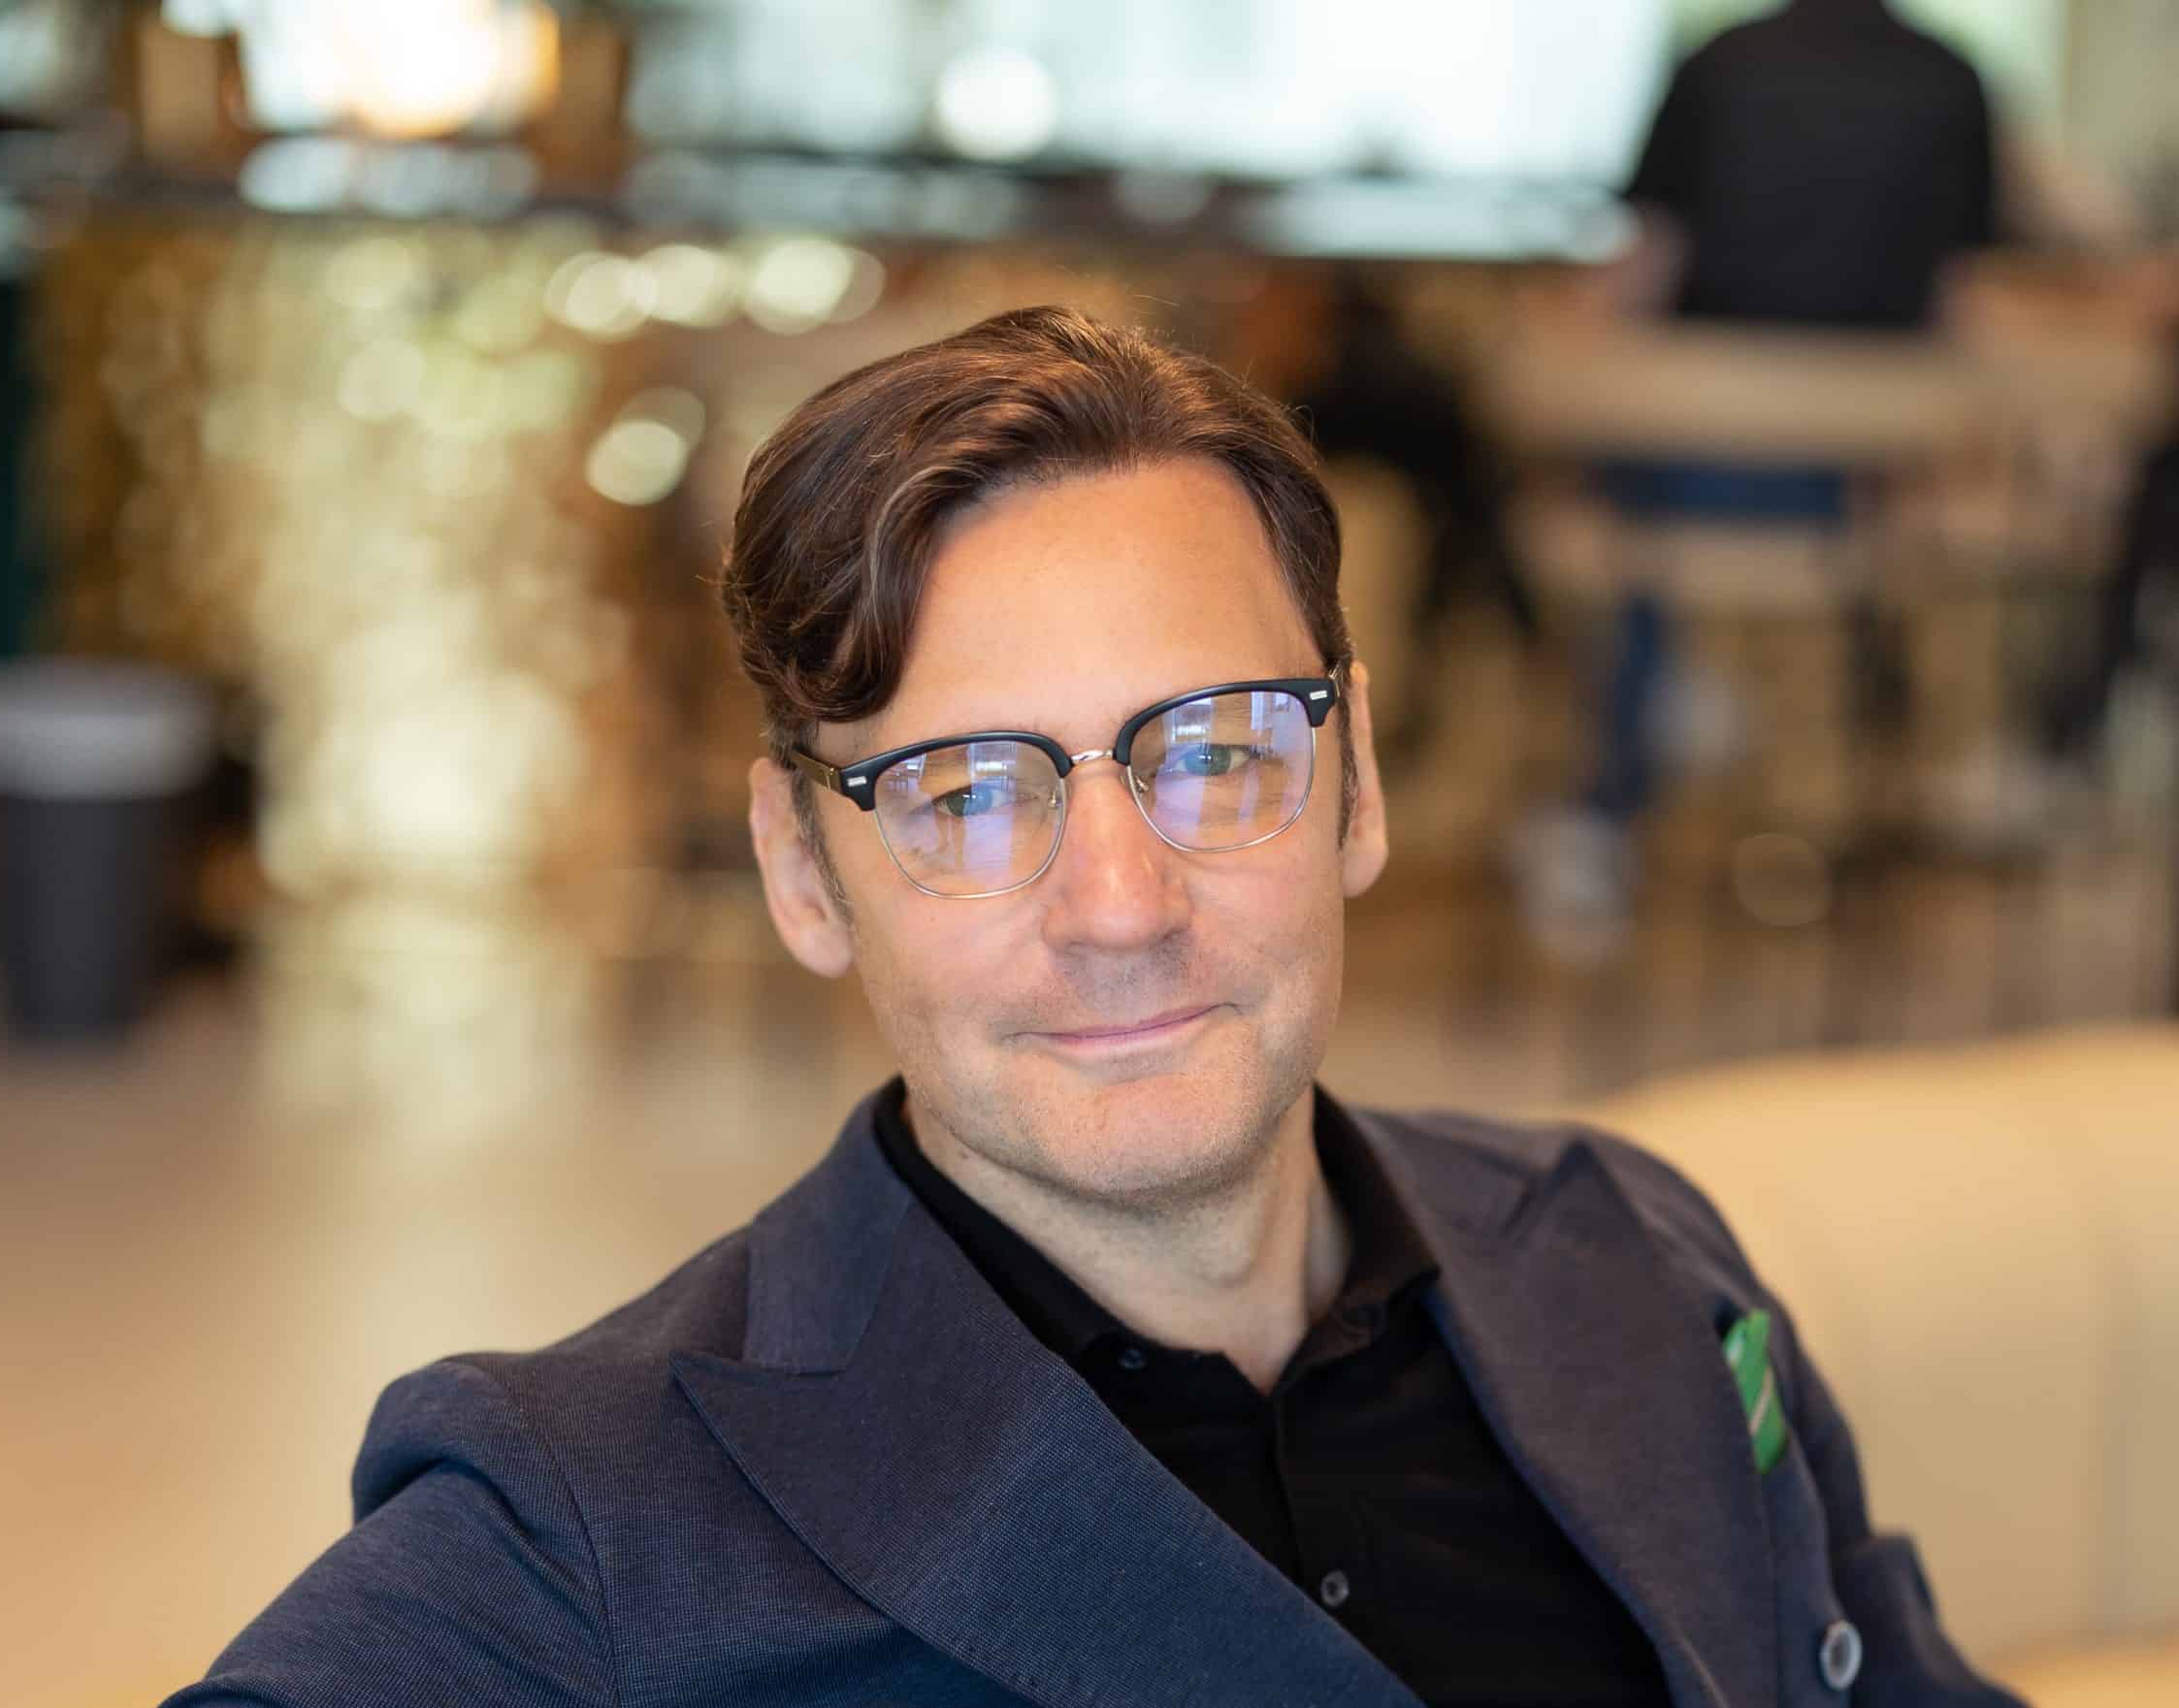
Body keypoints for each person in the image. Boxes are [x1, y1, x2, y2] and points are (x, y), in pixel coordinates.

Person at [166, 308, 2022, 1707]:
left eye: (1216, 751)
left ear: (1358, 779)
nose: (1121, 906)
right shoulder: (591, 1521)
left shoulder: (1636, 1259)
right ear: (804, 869)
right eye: (968, 795)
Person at [1524, 0, 2000, 948]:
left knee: (1605, 487)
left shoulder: (1716, 63)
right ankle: (1859, 767)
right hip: (1854, 509)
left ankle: (1617, 783)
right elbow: (1958, 303)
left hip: (1694, 486)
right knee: (1853, 508)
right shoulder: (1956, 80)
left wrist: (1550, 357)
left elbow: (1645, 271)